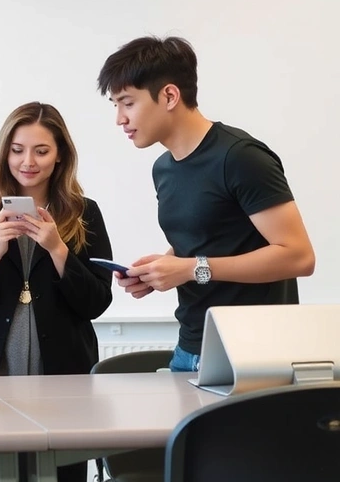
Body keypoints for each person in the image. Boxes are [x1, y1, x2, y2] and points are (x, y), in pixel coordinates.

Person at [97, 35, 315, 372]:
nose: (120, 119)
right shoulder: (164, 168)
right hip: (190, 347)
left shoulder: (241, 157)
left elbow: (298, 256)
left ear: (169, 95)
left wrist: (190, 269)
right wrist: (161, 269)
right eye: (115, 105)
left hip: (254, 353)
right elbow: (204, 240)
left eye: (127, 102)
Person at [0, 102, 113, 482]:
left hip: (64, 377)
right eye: (17, 150)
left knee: (62, 474)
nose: (27, 161)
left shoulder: (85, 213)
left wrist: (58, 249)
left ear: (60, 155)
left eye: (41, 150)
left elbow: (97, 301)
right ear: (5, 153)